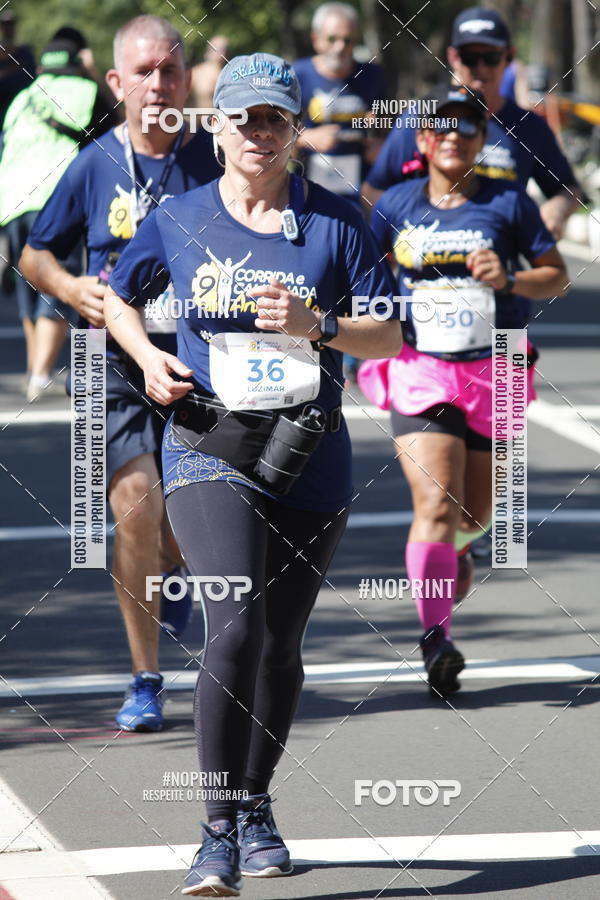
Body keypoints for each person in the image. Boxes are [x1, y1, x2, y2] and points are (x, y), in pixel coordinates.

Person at [105, 52, 401, 896]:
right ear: (218, 128)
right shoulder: (179, 215)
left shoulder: (341, 222)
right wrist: (148, 359)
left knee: (279, 648)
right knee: (233, 627)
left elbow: (389, 333)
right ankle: (215, 835)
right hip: (209, 442)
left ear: (295, 131)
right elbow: (118, 296)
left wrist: (321, 324)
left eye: (274, 118)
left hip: (308, 450)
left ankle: (256, 802)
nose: (258, 134)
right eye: (243, 118)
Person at [20, 15, 221, 732]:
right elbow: (34, 253)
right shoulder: (94, 162)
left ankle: (176, 570)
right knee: (136, 505)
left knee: (184, 526)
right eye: (144, 72)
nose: (158, 84)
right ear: (116, 82)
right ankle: (145, 679)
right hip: (112, 362)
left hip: (199, 360)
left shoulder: (216, 160)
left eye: (170, 70)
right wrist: (69, 287)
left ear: (188, 79)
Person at [359, 86, 568, 697]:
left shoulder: (508, 202)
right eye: (442, 128)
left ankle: (456, 554)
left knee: (475, 514)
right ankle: (436, 642)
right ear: (422, 141)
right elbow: (362, 278)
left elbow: (555, 277)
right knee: (435, 505)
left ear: (481, 141)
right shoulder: (394, 204)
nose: (454, 136)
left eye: (468, 128)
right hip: (420, 368)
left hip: (496, 368)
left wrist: (513, 278)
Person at [362, 6, 582, 241]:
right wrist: (403, 236)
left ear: (509, 56)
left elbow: (569, 190)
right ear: (453, 58)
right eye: (470, 58)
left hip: (497, 260)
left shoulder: (529, 127)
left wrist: (557, 209)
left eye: (491, 57)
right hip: (426, 252)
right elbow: (373, 190)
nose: (481, 68)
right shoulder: (421, 117)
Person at [0, 33, 116, 400]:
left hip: (12, 198)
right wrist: (95, 73)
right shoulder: (86, 90)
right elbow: (117, 134)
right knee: (59, 280)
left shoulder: (24, 97)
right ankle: (40, 374)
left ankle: (34, 368)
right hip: (56, 196)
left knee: (29, 281)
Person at [295, 2, 387, 385]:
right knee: (321, 271)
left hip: (359, 193)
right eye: (332, 39)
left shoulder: (371, 77)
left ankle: (357, 354)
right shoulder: (298, 75)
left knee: (362, 273)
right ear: (316, 39)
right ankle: (316, 342)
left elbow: (385, 132)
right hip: (310, 192)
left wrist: (376, 140)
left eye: (348, 41)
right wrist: (308, 139)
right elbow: (273, 133)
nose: (340, 48)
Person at [0, 9, 35, 130]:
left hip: (21, 115)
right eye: (5, 24)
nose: (8, 28)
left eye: (11, 24)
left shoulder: (25, 54)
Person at [189, 35, 230, 109]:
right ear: (209, 50)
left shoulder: (229, 76)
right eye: (217, 48)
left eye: (223, 49)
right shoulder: (195, 74)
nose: (221, 53)